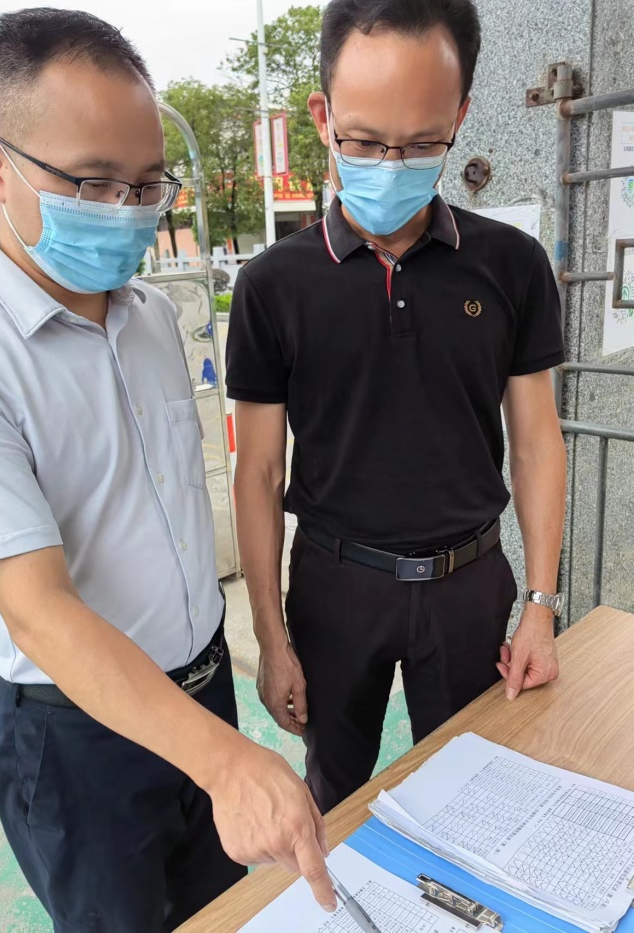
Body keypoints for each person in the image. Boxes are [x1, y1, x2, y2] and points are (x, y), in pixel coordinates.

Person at [0, 9, 336, 931]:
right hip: (76, 734)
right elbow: (39, 611)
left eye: (148, 184)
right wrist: (229, 763)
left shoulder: (151, 315)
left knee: (225, 915)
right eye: (92, 182)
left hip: (203, 688)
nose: (125, 210)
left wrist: (229, 711)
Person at [226, 0, 567, 816]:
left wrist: (541, 606)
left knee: (474, 791)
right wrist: (272, 638)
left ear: (459, 117)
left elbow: (536, 441)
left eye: (420, 145)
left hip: (469, 582)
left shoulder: (513, 266)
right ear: (323, 117)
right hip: (335, 586)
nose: (390, 165)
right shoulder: (272, 286)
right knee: (336, 795)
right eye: (365, 141)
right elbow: (259, 471)